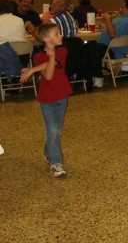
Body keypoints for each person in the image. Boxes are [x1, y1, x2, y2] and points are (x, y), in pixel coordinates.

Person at [20, 23, 73, 178]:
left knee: (57, 130)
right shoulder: (38, 56)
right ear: (45, 38)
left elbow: (54, 65)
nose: (60, 36)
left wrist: (32, 69)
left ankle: (48, 151)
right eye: (56, 34)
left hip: (62, 95)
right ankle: (56, 164)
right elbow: (48, 75)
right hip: (47, 99)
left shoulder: (62, 51)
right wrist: (49, 58)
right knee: (53, 131)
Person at [88, 0, 128, 89]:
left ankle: (98, 77)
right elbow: (116, 30)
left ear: (126, 4)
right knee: (89, 45)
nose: (121, 4)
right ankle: (89, 75)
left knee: (93, 49)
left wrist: (108, 20)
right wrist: (106, 26)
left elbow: (113, 35)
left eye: (123, 2)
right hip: (110, 47)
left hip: (113, 50)